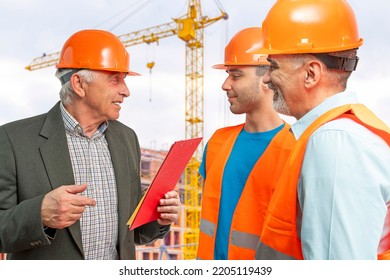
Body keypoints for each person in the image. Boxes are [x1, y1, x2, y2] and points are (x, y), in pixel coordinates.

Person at [0, 29, 180, 260]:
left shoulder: (126, 138)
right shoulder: (13, 140)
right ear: (79, 84)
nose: (126, 91)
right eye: (115, 79)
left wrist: (159, 217)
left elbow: (134, 234)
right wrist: (40, 214)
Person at [253, 0, 390, 260]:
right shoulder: (349, 131)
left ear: (311, 74)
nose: (267, 78)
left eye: (273, 66)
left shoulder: (335, 142)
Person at [196, 27, 296, 260]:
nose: (225, 85)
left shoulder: (298, 148)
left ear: (267, 77)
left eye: (236, 75)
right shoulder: (218, 142)